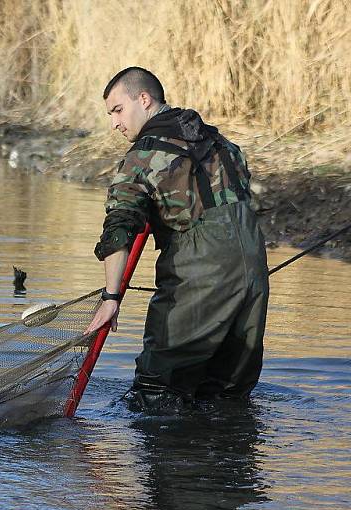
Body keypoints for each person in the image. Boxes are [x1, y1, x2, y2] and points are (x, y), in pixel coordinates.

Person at [85, 66, 269, 409]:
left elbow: (119, 228)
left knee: (156, 396)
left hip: (197, 278)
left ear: (144, 99)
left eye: (117, 110)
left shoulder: (141, 157)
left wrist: (111, 297)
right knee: (228, 398)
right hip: (253, 276)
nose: (114, 123)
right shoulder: (223, 144)